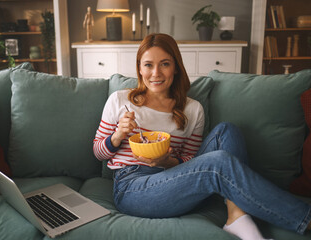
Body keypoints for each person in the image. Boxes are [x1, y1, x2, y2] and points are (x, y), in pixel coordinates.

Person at [93, 33, 311, 240]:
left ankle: (237, 215)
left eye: (165, 64)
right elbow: (98, 152)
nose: (156, 73)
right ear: (140, 68)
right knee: (218, 163)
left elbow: (191, 159)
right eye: (148, 64)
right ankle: (305, 218)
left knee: (227, 131)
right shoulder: (121, 100)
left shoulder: (192, 109)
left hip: (176, 179)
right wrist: (117, 135)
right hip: (132, 187)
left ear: (176, 67)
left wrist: (167, 161)